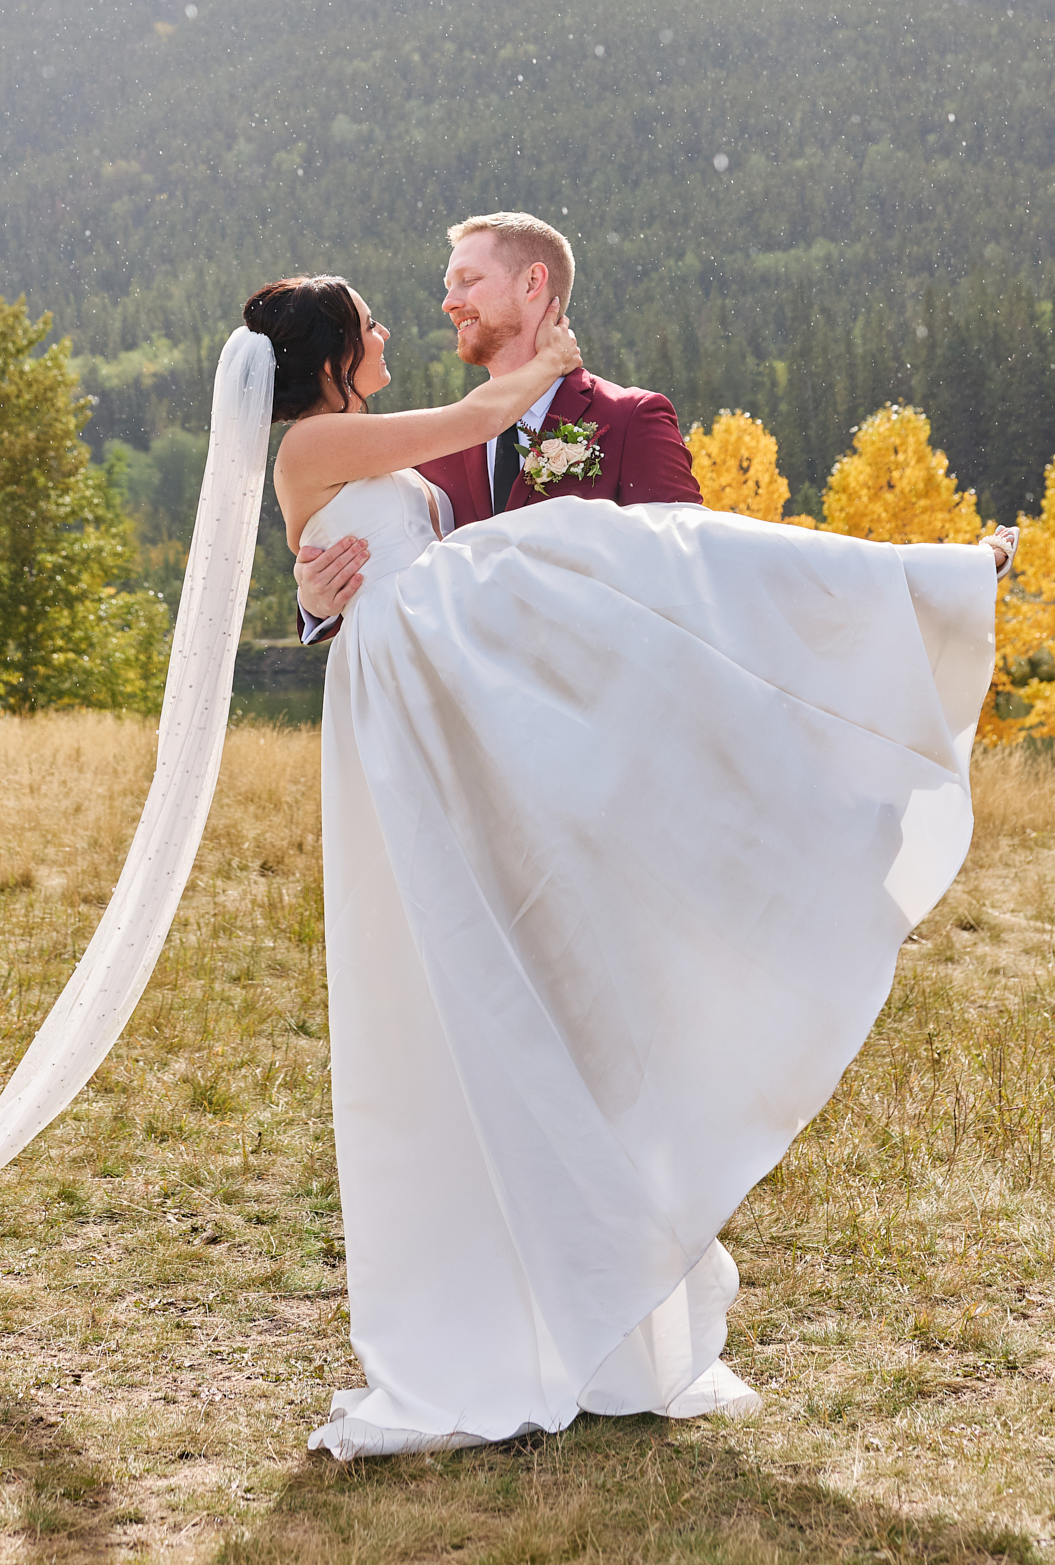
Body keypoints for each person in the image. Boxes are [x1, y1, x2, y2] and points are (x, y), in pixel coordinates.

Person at [251, 258, 1012, 1459]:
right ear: (335, 352)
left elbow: (678, 539)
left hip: (521, 699)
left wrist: (555, 395)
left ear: (532, 279)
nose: (420, 311)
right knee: (480, 979)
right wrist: (315, 587)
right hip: (435, 704)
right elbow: (402, 494)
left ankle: (915, 590)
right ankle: (918, 586)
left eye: (460, 280)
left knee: (675, 565)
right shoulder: (329, 443)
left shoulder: (609, 419)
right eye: (382, 315)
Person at [293, 212, 699, 641]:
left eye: (468, 280)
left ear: (532, 282)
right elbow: (393, 569)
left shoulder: (630, 417)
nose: (449, 302)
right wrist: (315, 604)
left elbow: (686, 567)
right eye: (448, 286)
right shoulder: (437, 439)